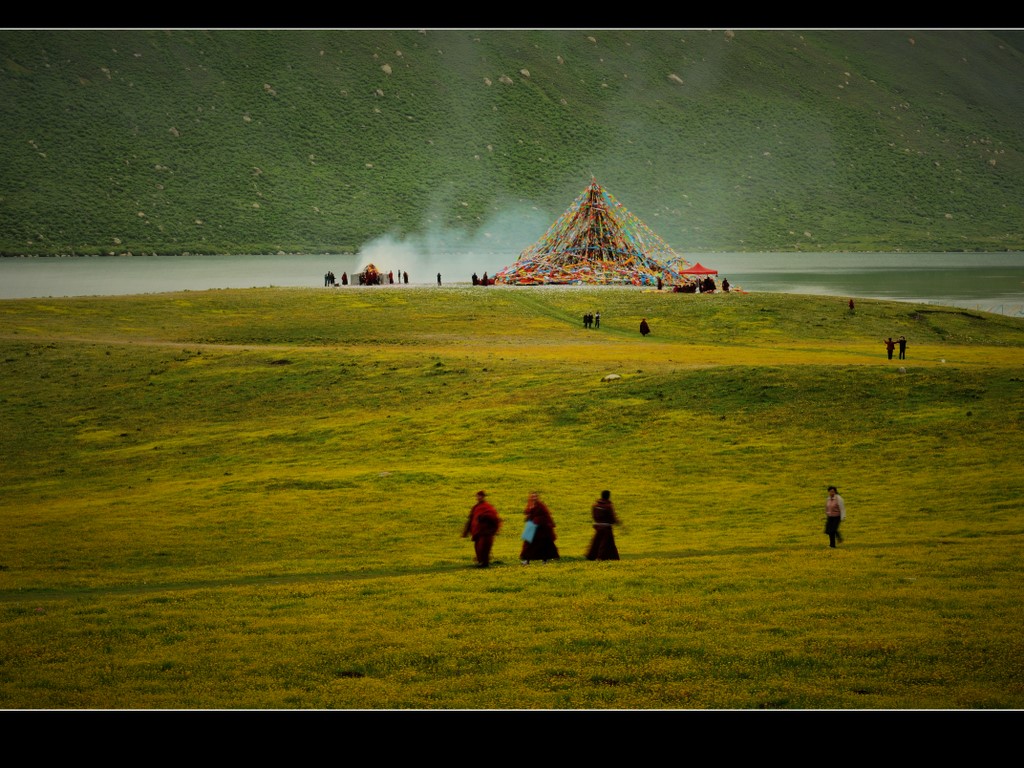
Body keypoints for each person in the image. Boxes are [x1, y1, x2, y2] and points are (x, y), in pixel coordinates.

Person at [462, 490, 503, 567]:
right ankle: (481, 562)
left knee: (484, 547)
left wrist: (484, 517)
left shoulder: (487, 507)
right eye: (478, 496)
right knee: (477, 547)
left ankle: (484, 563)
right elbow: (471, 518)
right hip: (478, 532)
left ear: (483, 497)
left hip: (486, 532)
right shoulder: (475, 507)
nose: (479, 497)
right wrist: (466, 530)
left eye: (480, 496)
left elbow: (494, 517)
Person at [519, 492, 559, 565]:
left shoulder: (541, 506)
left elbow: (545, 515)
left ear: (537, 497)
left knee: (543, 545)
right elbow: (527, 512)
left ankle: (545, 560)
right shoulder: (530, 504)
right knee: (528, 544)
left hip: (541, 530)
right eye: (532, 496)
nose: (534, 498)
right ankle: (527, 561)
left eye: (535, 497)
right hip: (531, 527)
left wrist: (537, 520)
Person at [586, 490, 620, 561]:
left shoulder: (595, 505)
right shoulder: (608, 506)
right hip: (606, 527)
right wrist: (615, 522)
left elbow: (594, 515)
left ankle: (592, 556)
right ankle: (603, 557)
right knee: (606, 543)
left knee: (597, 542)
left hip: (598, 526)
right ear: (608, 496)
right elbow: (612, 517)